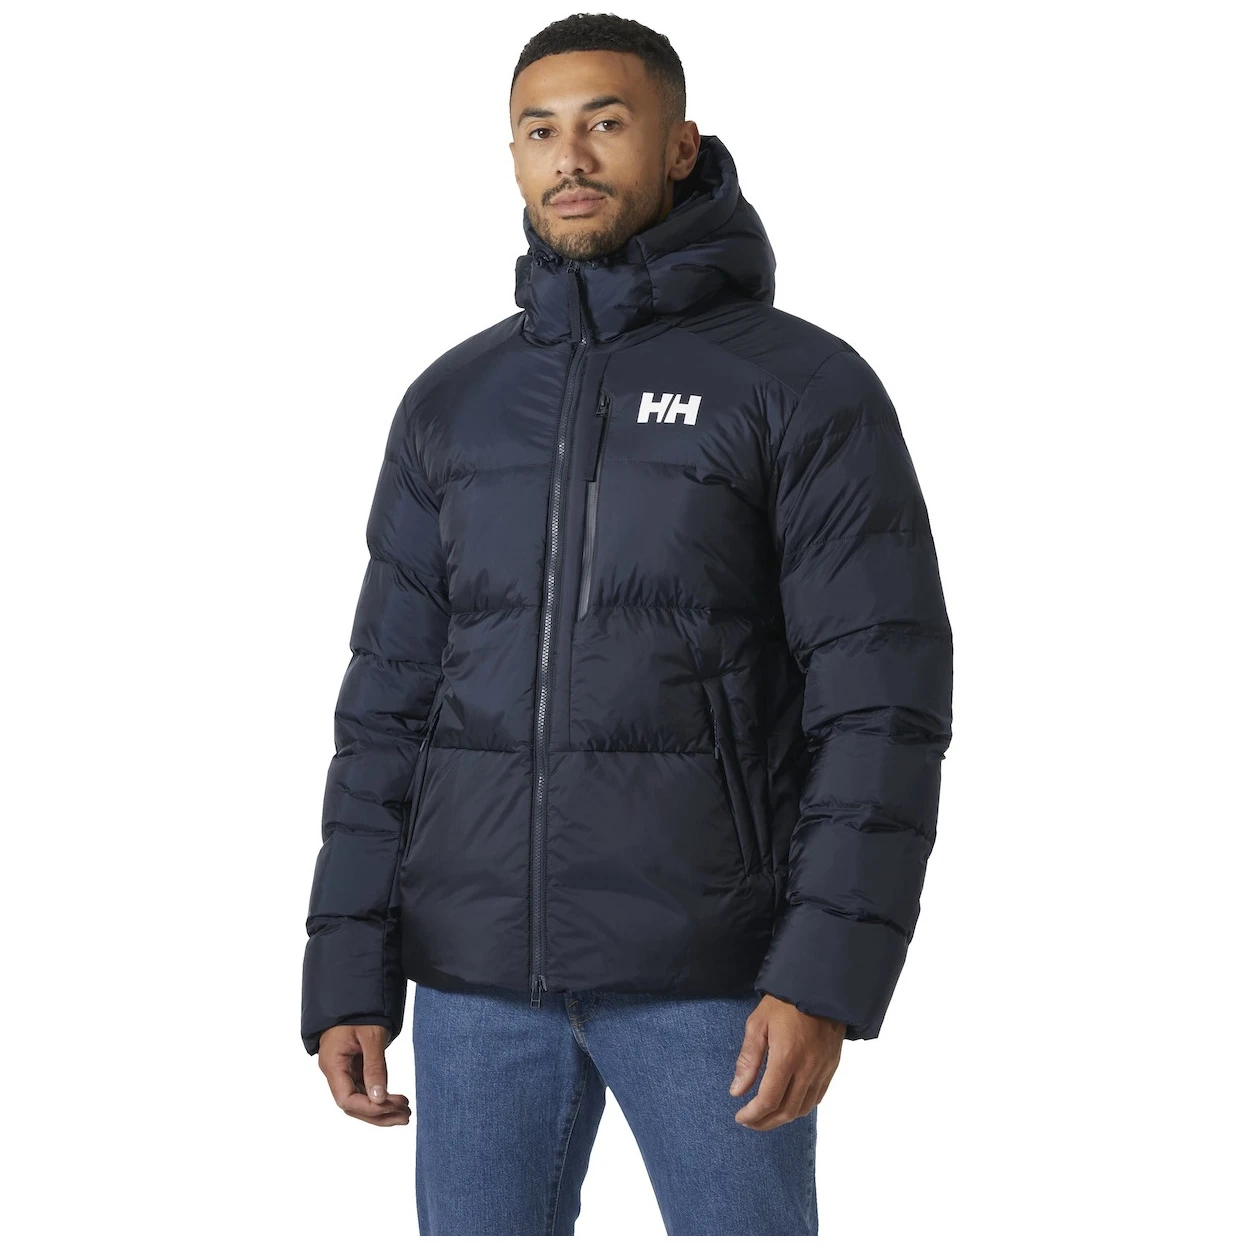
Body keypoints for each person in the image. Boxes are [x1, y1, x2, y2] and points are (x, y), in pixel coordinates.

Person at [300, 12, 953, 1237]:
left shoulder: (800, 386)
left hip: (713, 978)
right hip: (475, 983)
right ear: (512, 155)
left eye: (606, 122)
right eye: (539, 130)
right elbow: (386, 705)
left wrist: (823, 975)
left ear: (678, 146)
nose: (571, 157)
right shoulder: (453, 400)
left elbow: (882, 702)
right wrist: (350, 970)